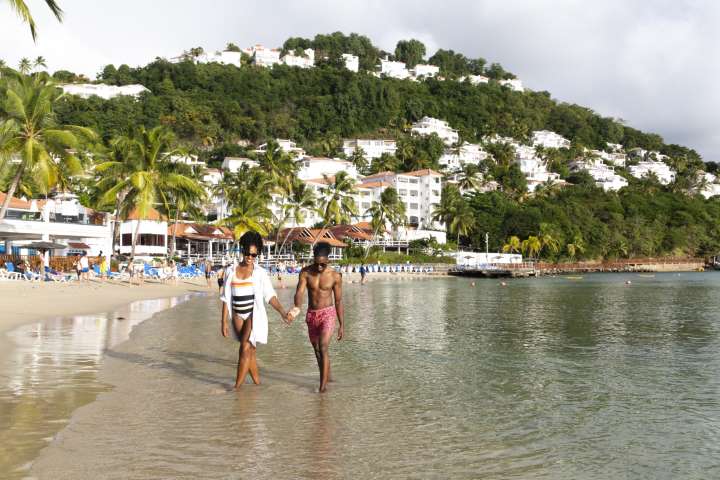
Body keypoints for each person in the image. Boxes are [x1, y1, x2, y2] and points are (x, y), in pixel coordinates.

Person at [220, 231, 289, 389]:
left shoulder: (260, 273)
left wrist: (283, 312)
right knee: (249, 352)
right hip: (237, 315)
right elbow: (225, 297)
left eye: (254, 255)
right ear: (242, 250)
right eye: (247, 253)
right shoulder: (231, 271)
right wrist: (223, 321)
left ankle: (236, 388)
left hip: (253, 314)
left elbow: (270, 296)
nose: (250, 257)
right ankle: (258, 384)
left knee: (245, 348)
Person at [288, 242, 344, 393]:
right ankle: (327, 376)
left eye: (322, 264)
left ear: (328, 261)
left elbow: (338, 301)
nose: (319, 267)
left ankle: (322, 388)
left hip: (328, 314)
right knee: (318, 351)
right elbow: (299, 292)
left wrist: (341, 325)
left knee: (324, 347)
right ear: (313, 259)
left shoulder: (335, 276)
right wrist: (296, 308)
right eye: (317, 263)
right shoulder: (305, 273)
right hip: (312, 315)